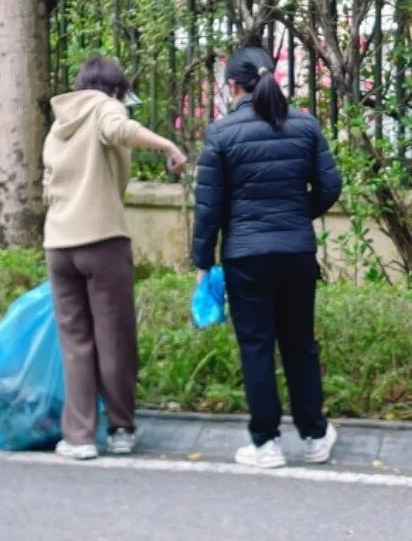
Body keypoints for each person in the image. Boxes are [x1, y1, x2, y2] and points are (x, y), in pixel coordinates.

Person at [192, 46, 342, 469]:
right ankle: (315, 436)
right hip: (296, 253)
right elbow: (330, 186)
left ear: (233, 85)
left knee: (256, 346)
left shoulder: (221, 134)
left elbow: (209, 208)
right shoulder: (305, 125)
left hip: (246, 257)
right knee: (300, 345)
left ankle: (266, 443)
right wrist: (296, 214)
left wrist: (203, 262)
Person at [43, 56, 187, 461]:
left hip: (58, 244)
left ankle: (79, 437)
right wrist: (168, 144)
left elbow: (48, 186)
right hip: (102, 240)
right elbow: (118, 129)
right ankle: (121, 429)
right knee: (114, 338)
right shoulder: (106, 106)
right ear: (117, 89)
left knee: (76, 344)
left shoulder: (59, 123)